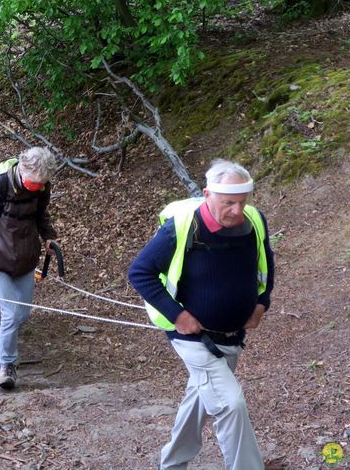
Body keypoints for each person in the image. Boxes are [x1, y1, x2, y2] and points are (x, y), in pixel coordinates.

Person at [128, 159, 275, 470]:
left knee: (199, 400)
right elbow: (140, 273)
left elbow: (266, 264)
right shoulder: (183, 227)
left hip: (232, 335)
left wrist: (262, 303)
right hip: (193, 338)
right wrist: (178, 315)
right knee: (230, 405)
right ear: (208, 194)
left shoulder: (254, 221)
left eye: (242, 201)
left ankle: (171, 465)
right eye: (229, 203)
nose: (237, 210)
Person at [0, 147, 59, 390]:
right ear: (22, 170)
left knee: (22, 315)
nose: (37, 187)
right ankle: (7, 367)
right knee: (11, 313)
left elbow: (41, 216)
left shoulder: (42, 188)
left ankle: (3, 336)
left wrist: (49, 237)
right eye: (33, 183)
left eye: (42, 184)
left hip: (26, 258)